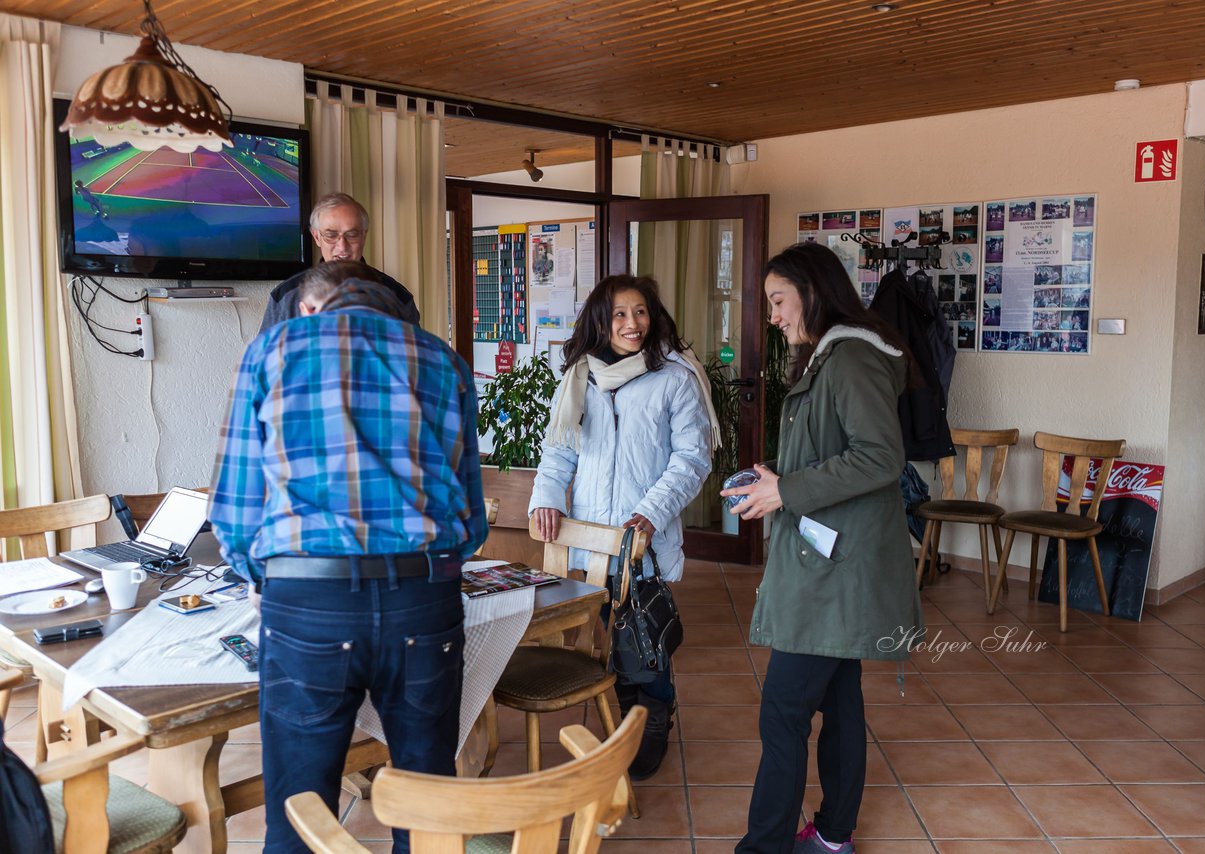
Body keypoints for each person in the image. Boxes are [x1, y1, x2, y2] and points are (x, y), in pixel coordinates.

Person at [209, 260, 487, 854]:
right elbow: (469, 517)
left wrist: (277, 575)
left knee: (300, 812)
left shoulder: (273, 349)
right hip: (423, 598)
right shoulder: (442, 358)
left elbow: (234, 511)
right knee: (428, 802)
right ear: (387, 303)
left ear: (317, 303)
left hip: (308, 599)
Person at [724, 243, 924, 854]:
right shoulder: (833, 356)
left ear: (812, 292)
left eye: (779, 301)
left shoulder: (850, 359)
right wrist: (778, 478)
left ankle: (765, 847)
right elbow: (837, 450)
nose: (776, 316)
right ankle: (833, 837)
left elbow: (879, 457)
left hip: (838, 571)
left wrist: (789, 489)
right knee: (839, 704)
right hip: (836, 563)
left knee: (783, 710)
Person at [528, 273, 717, 780]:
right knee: (612, 636)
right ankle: (626, 721)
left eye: (640, 312)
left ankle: (652, 723)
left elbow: (692, 459)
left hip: (643, 540)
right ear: (600, 321)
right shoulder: (578, 378)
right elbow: (559, 451)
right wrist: (545, 500)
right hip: (591, 538)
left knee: (645, 638)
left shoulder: (674, 377)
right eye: (619, 314)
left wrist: (651, 513)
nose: (632, 324)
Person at [258, 193, 419, 332]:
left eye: (352, 234)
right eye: (331, 235)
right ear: (316, 237)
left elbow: (417, 360)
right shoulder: (286, 296)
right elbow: (265, 361)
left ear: (364, 235)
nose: (342, 246)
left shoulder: (398, 297)